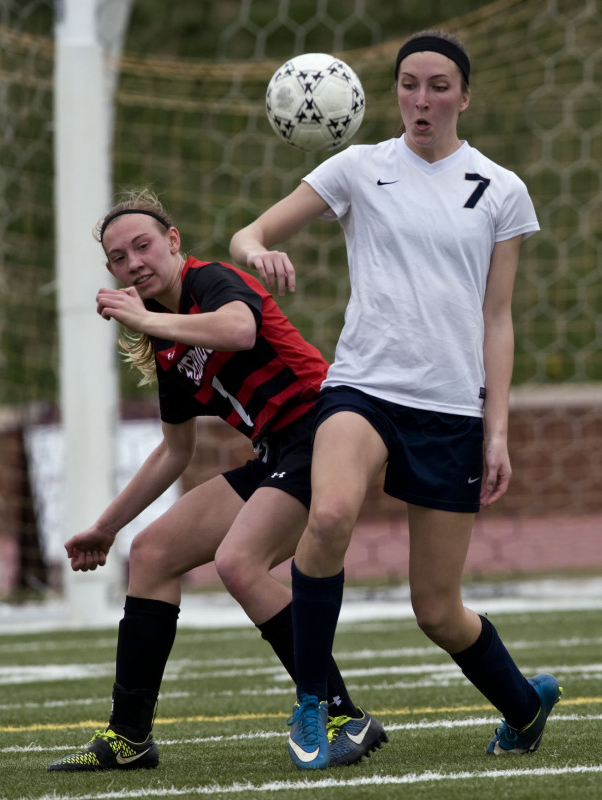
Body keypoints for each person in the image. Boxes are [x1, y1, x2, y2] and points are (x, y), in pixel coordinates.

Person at [227, 29, 562, 770]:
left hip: (452, 408)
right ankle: (314, 702)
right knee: (330, 514)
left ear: (464, 97)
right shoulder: (357, 167)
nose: (421, 99)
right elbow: (250, 233)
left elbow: (497, 318)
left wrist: (497, 430)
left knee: (436, 608)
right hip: (363, 387)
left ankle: (522, 707)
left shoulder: (501, 189)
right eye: (409, 84)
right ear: (394, 94)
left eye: (438, 86)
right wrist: (259, 252)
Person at [47, 189, 387, 773]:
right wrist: (106, 528)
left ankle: (341, 715)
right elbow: (174, 452)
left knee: (238, 563)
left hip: (326, 433)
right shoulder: (167, 343)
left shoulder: (211, 281)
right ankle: (128, 738)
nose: (134, 263)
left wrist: (146, 317)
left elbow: (240, 330)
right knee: (152, 552)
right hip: (278, 452)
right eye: (119, 258)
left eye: (143, 246)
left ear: (173, 241)